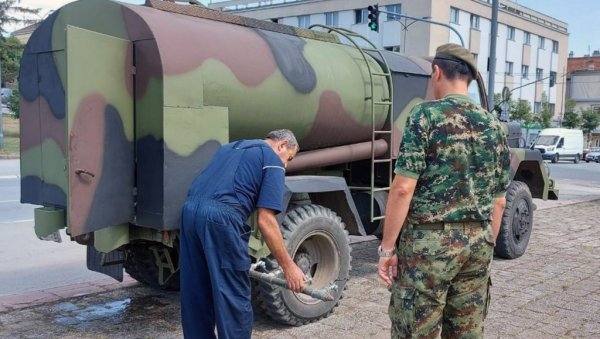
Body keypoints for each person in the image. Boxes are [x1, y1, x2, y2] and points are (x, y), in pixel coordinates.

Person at [378, 44, 510, 338]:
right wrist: (487, 242)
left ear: (437, 72)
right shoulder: (494, 126)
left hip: (428, 245)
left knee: (416, 330)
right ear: (471, 80)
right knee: (466, 331)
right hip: (478, 243)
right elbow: (499, 201)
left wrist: (387, 248)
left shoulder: (425, 116)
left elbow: (402, 188)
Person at [179, 129, 306, 339]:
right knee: (232, 299)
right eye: (289, 158)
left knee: (196, 293)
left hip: (190, 212)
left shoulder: (229, 148)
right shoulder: (272, 159)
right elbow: (266, 220)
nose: (286, 165)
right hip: (221, 219)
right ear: (282, 145)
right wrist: (289, 266)